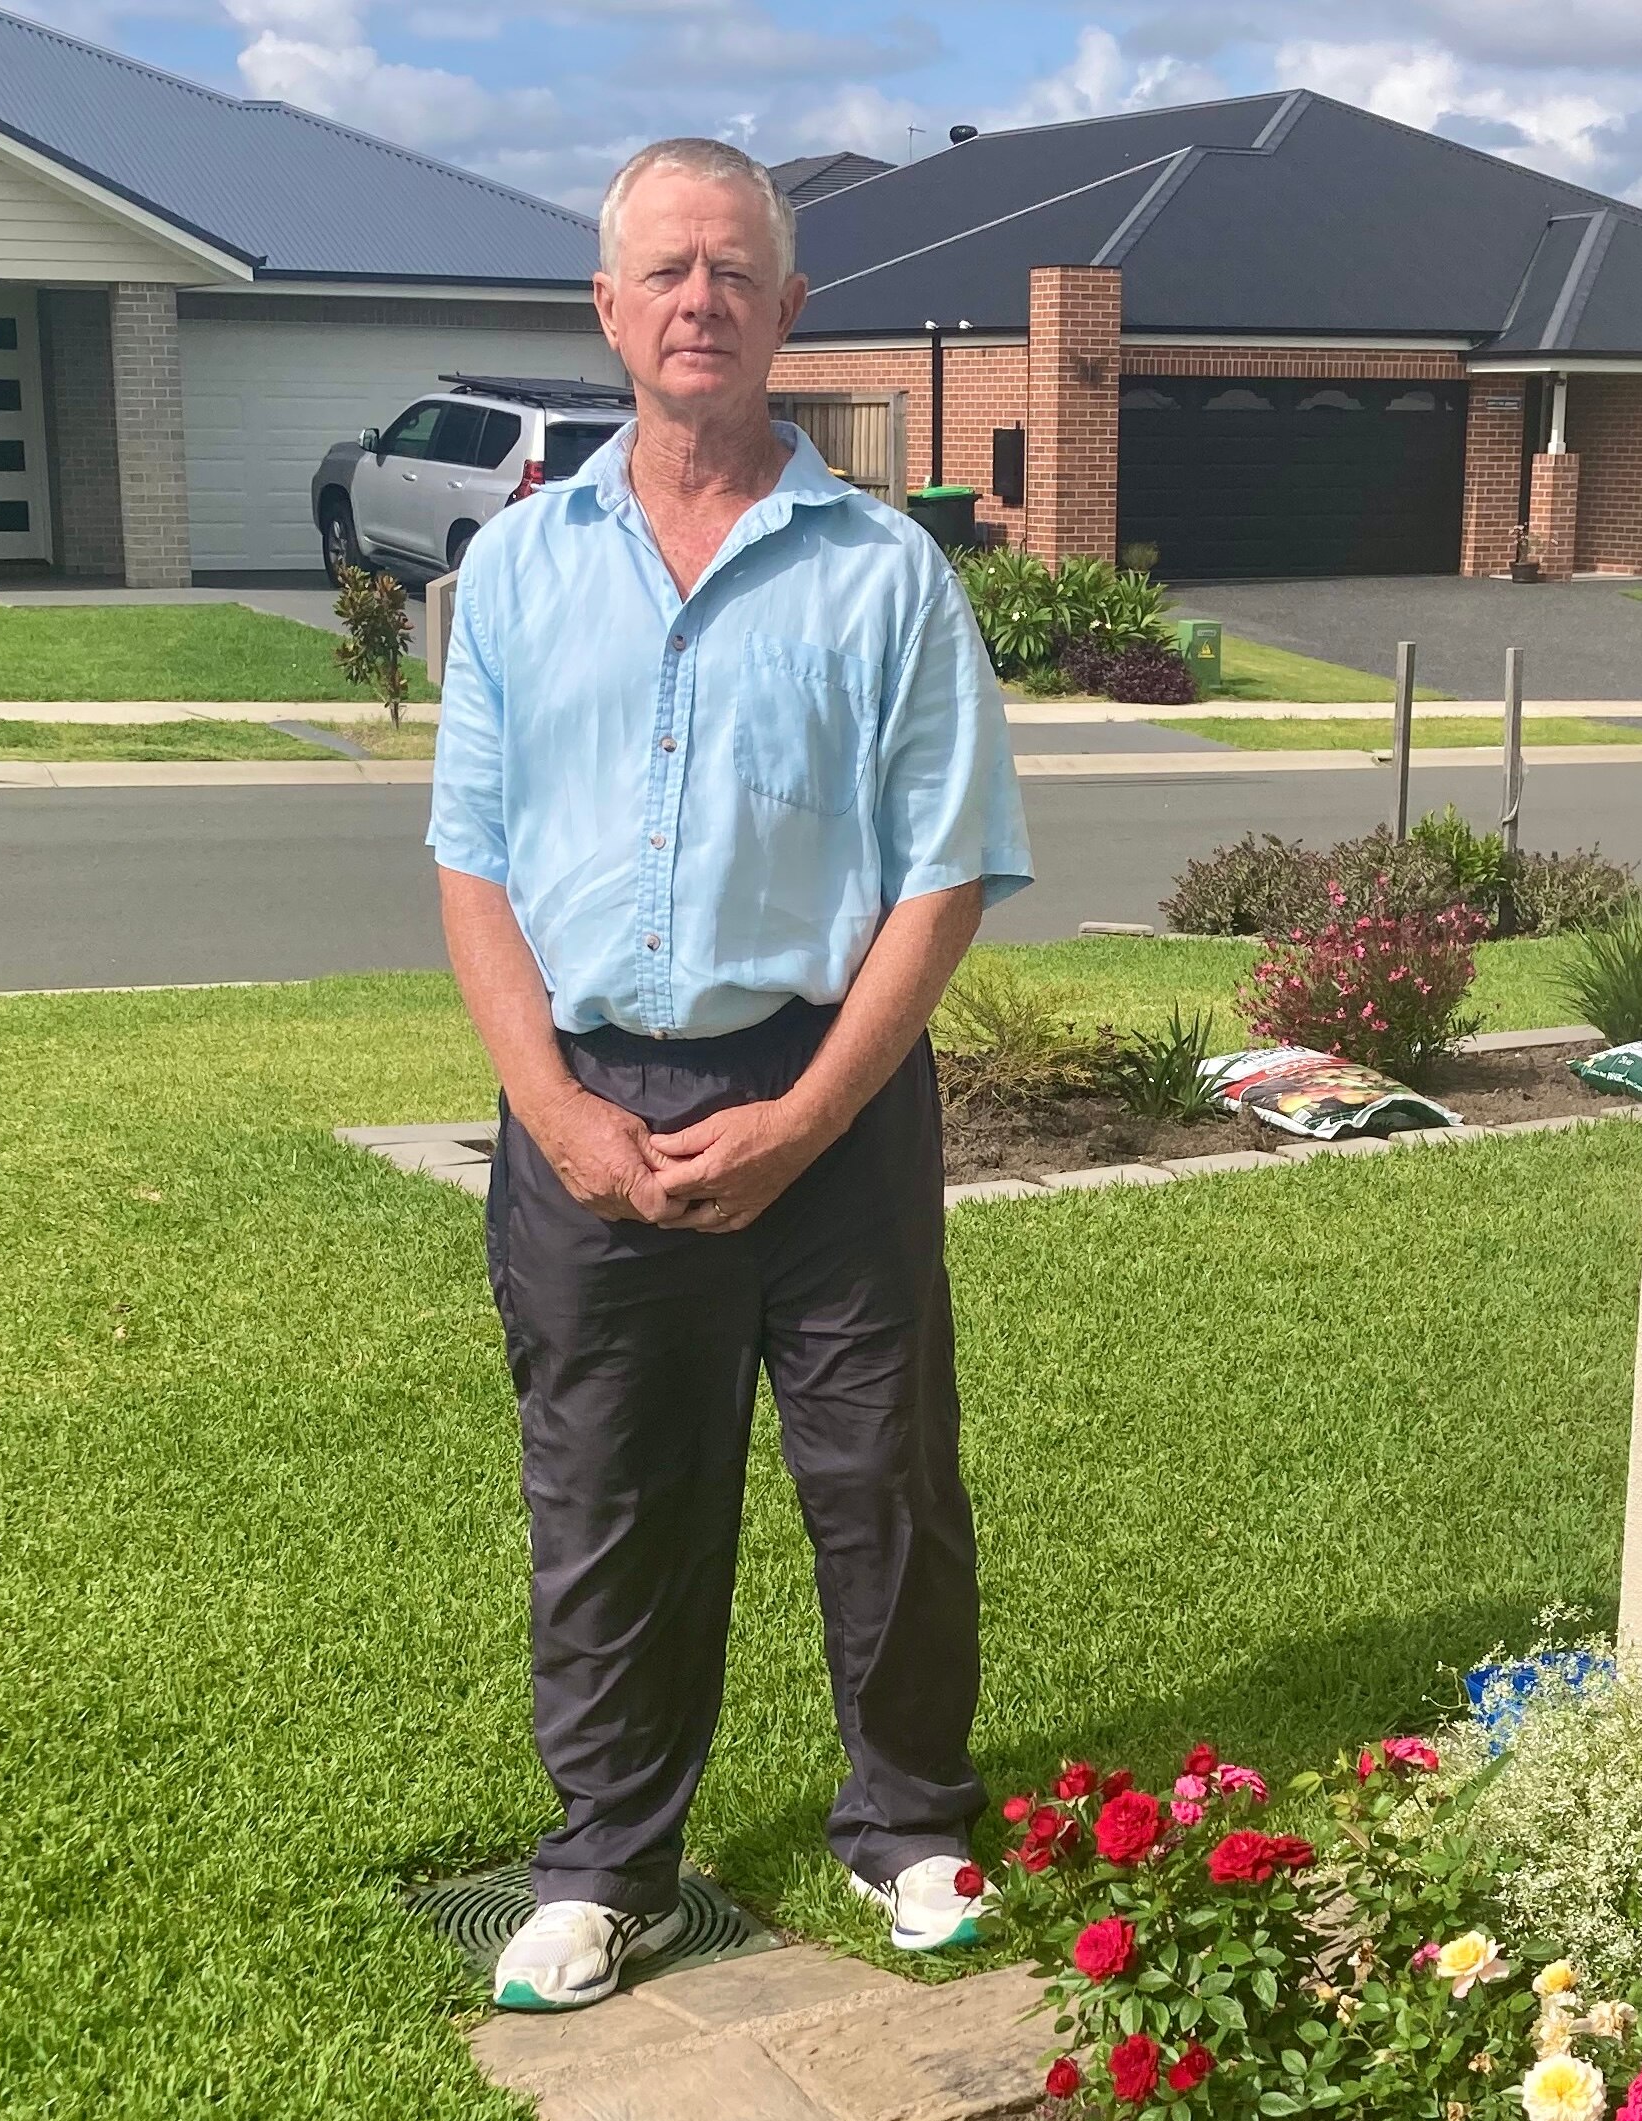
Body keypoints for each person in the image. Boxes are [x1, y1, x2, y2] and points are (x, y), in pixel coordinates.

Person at [428, 136, 1032, 2013]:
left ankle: (911, 1824)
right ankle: (611, 1862)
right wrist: (558, 1114)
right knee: (608, 1492)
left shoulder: (885, 577)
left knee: (885, 1486)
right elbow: (474, 866)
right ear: (608, 312)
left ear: (789, 310)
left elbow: (944, 873)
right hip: (590, 1100)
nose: (701, 301)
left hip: (825, 1104)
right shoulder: (520, 568)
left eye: (736, 271)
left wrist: (808, 1117)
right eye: (664, 271)